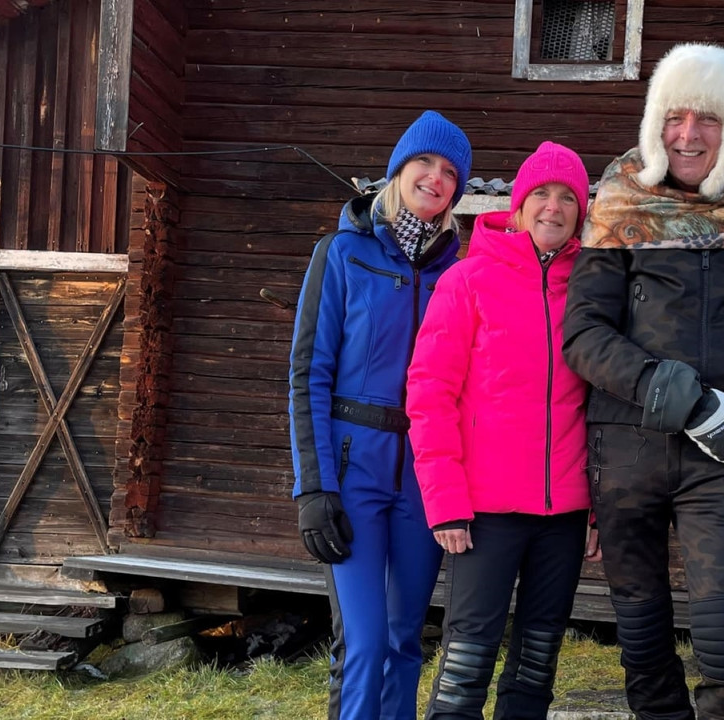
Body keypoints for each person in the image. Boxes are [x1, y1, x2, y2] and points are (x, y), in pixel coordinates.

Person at [562, 43, 724, 720]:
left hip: (723, 453)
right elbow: (582, 334)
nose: (689, 133)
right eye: (676, 116)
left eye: (709, 119)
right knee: (640, 626)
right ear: (655, 123)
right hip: (627, 445)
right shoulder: (618, 206)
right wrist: (682, 397)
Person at [406, 141, 600, 720]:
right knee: (468, 654)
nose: (553, 206)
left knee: (538, 659)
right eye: (540, 193)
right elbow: (430, 392)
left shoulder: (591, 289)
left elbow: (602, 405)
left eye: (568, 197)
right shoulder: (468, 281)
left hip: (564, 511)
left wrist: (598, 508)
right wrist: (444, 502)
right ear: (517, 206)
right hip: (483, 511)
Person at [288, 110, 472, 720]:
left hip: (424, 480)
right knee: (364, 644)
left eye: (450, 172)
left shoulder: (460, 274)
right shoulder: (342, 253)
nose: (436, 178)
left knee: (404, 642)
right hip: (353, 472)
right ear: (399, 170)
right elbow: (308, 374)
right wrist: (314, 486)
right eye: (425, 163)